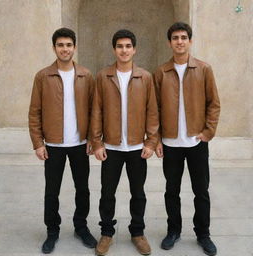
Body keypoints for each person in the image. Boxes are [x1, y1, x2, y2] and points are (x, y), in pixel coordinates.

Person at [154, 22, 220, 256]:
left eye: (183, 37)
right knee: (171, 190)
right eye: (175, 38)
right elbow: (155, 108)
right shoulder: (161, 72)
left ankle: (203, 234)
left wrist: (207, 132)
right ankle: (173, 231)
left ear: (190, 41)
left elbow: (213, 103)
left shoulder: (203, 69)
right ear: (169, 42)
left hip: (196, 143)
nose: (179, 41)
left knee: (200, 191)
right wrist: (157, 139)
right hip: (171, 144)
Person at [28, 27, 97, 254]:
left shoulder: (86, 75)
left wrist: (92, 139)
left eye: (68, 45)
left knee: (83, 189)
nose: (65, 49)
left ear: (74, 47)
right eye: (60, 45)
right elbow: (34, 111)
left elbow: (95, 111)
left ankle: (81, 227)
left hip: (79, 144)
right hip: (54, 145)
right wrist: (38, 143)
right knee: (52, 191)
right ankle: (52, 231)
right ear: (54, 48)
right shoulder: (43, 76)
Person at [90, 29, 159, 256]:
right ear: (114, 49)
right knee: (107, 193)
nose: (124, 50)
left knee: (138, 192)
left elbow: (152, 111)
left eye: (128, 46)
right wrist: (97, 143)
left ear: (134, 49)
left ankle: (137, 233)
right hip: (111, 147)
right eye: (120, 46)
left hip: (137, 147)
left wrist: (150, 142)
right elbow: (97, 110)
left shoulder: (145, 77)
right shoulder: (103, 76)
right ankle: (107, 233)